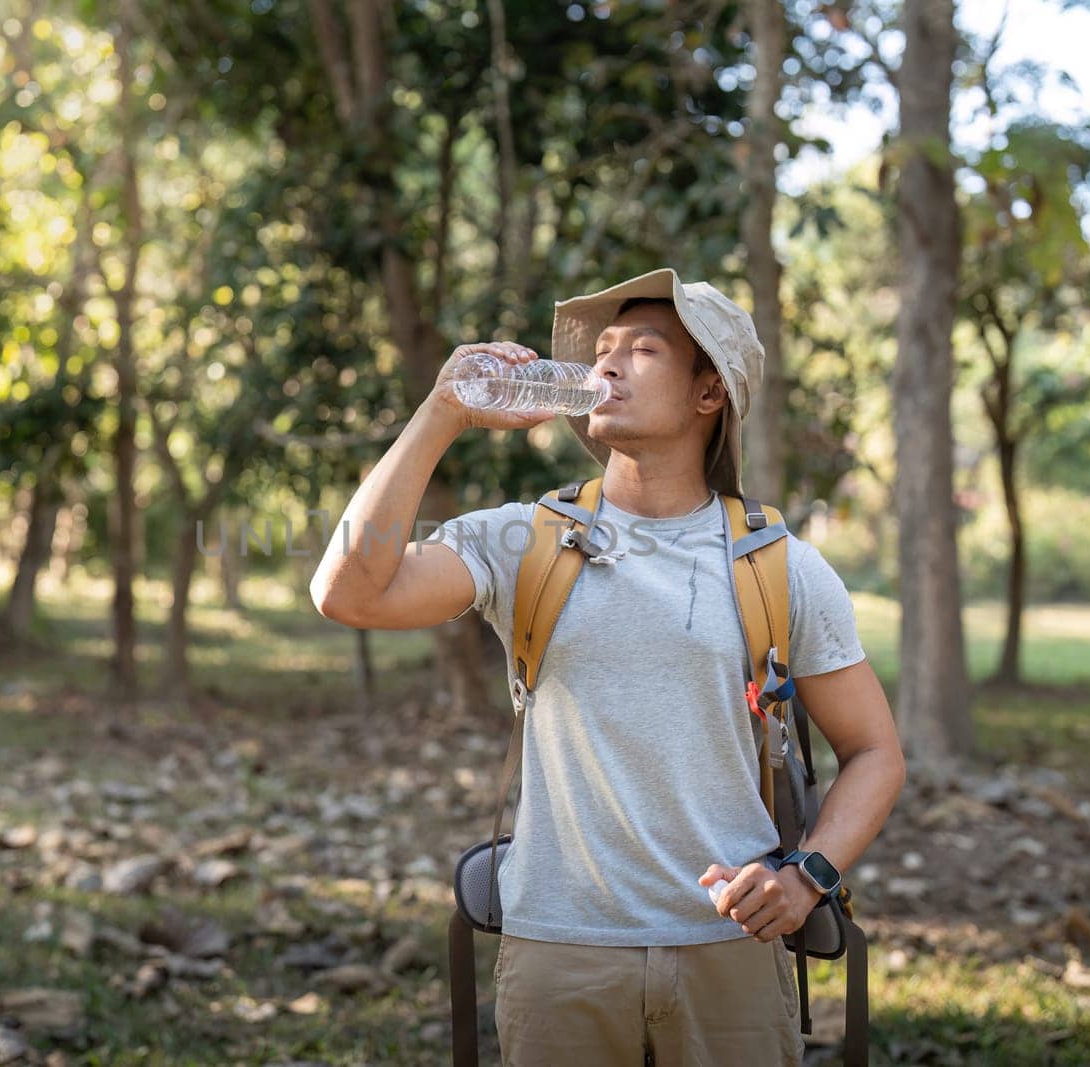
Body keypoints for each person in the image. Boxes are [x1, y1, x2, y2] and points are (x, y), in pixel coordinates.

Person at [309, 268, 905, 1066]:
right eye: (605, 349)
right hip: (558, 950)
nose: (607, 365)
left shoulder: (781, 567)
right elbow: (346, 591)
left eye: (644, 349)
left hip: (727, 951)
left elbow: (875, 752)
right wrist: (441, 412)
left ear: (707, 394)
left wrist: (807, 877)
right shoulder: (524, 541)